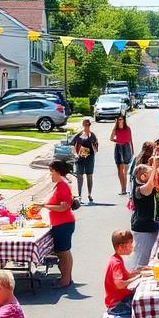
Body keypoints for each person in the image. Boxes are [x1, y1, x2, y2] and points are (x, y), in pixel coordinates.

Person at [37, 160, 75, 289]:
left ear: (57, 172)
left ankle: (65, 280)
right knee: (65, 252)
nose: (50, 175)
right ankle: (67, 277)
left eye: (51, 172)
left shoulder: (62, 186)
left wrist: (45, 206)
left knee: (63, 253)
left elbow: (64, 206)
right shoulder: (60, 185)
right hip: (62, 223)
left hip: (63, 223)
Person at [130, 163, 159, 268]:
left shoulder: (149, 185)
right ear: (143, 177)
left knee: (151, 258)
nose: (155, 177)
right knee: (141, 261)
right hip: (143, 230)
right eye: (151, 175)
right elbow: (148, 188)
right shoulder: (138, 189)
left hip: (152, 226)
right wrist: (154, 168)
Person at [105, 230, 144, 317]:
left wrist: (140, 270)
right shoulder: (116, 263)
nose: (132, 246)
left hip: (121, 298)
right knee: (142, 308)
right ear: (121, 247)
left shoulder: (117, 258)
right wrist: (138, 277)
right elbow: (119, 284)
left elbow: (127, 275)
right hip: (117, 304)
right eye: (130, 243)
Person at [71, 118, 99, 204]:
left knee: (89, 175)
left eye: (88, 124)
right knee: (79, 176)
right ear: (83, 125)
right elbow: (72, 145)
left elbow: (96, 149)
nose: (87, 126)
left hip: (90, 157)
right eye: (85, 124)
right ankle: (79, 196)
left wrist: (91, 141)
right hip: (80, 158)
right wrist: (76, 154)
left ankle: (89, 194)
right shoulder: (79, 135)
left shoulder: (93, 135)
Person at [110, 115, 134, 195]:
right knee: (119, 169)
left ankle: (125, 188)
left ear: (124, 120)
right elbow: (111, 138)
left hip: (126, 147)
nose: (119, 121)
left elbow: (130, 140)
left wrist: (132, 151)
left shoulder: (128, 128)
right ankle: (122, 189)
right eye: (118, 119)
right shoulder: (116, 129)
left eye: (121, 119)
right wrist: (118, 140)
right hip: (118, 147)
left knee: (125, 169)